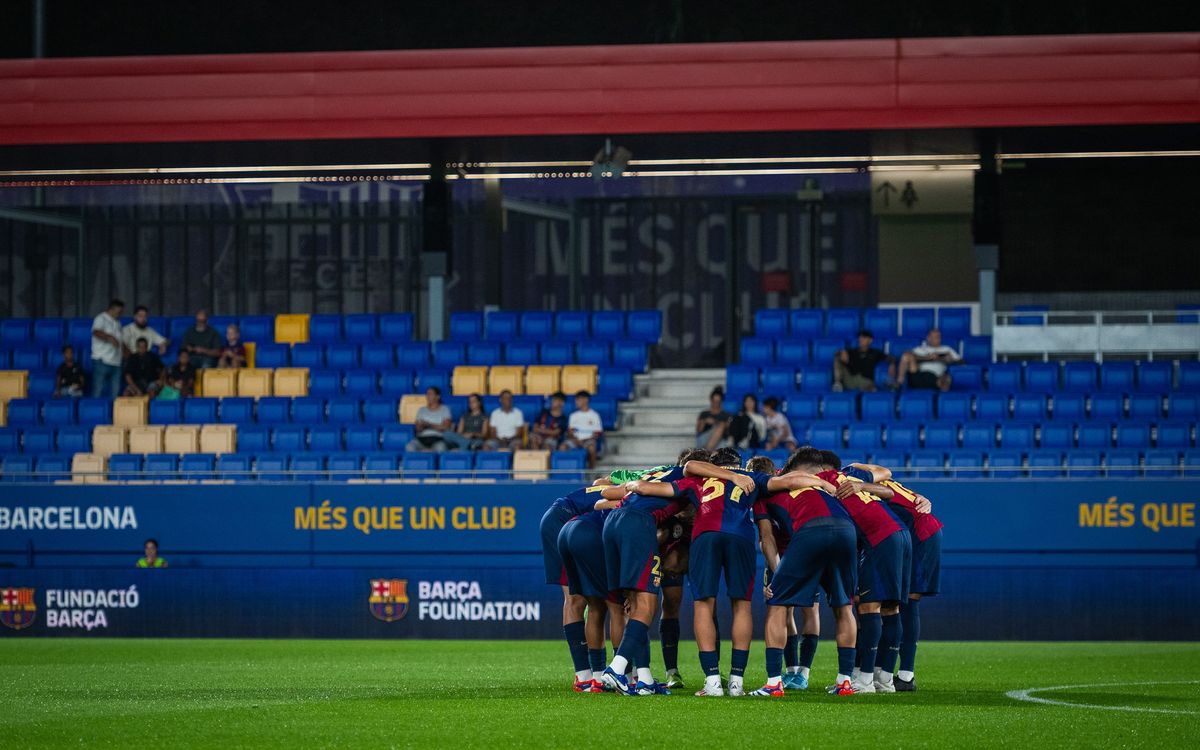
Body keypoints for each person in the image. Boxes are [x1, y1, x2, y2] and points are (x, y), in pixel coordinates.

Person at [628, 447, 819, 697]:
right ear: (739, 463)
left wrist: (632, 484)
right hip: (740, 537)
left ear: (715, 463)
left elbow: (647, 488)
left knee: (704, 604)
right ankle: (737, 681)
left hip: (705, 535)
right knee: (742, 605)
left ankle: (713, 682)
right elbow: (789, 480)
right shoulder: (752, 479)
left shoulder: (699, 478)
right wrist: (823, 483)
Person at [750, 448, 861, 696]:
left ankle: (773, 683)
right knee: (844, 607)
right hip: (846, 530)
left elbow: (767, 538)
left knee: (777, 603)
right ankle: (845, 681)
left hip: (811, 531)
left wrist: (777, 577)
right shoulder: (815, 482)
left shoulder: (766, 490)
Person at [814, 449, 911, 695]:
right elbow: (888, 487)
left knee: (868, 607)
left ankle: (865, 681)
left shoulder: (825, 480)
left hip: (879, 537)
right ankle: (884, 680)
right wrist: (861, 487)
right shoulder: (852, 477)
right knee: (891, 608)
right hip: (898, 533)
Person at [841, 460, 942, 693]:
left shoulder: (854, 480)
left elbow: (885, 489)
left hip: (917, 532)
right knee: (898, 602)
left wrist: (860, 483)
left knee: (904, 602)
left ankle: (904, 674)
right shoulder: (881, 480)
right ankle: (886, 673)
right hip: (917, 529)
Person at [540, 482, 626, 691]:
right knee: (577, 599)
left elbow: (598, 484)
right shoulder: (633, 491)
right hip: (563, 521)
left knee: (592, 600)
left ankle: (593, 675)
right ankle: (585, 675)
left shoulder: (615, 484)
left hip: (560, 517)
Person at [90, 298, 125, 398]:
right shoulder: (101, 318)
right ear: (112, 309)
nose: (120, 314)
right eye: (119, 312)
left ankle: (113, 412)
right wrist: (109, 337)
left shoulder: (117, 323)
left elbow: (120, 341)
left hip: (116, 362)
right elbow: (96, 332)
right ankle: (96, 412)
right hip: (102, 360)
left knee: (116, 392)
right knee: (98, 390)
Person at [560, 391, 603, 468]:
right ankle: (569, 470)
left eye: (578, 400)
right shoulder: (573, 415)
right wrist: (575, 439)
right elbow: (570, 431)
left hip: (588, 440)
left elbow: (598, 433)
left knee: (592, 449)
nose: (576, 402)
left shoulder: (594, 415)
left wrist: (584, 440)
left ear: (585, 400)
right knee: (562, 447)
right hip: (575, 440)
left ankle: (591, 471)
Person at [405, 387, 453, 452]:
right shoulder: (421, 410)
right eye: (427, 394)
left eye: (430, 394)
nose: (427, 396)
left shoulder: (445, 409)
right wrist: (423, 426)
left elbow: (445, 427)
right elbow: (418, 429)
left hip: (437, 439)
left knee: (441, 448)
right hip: (422, 439)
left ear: (437, 396)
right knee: (409, 447)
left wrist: (428, 424)